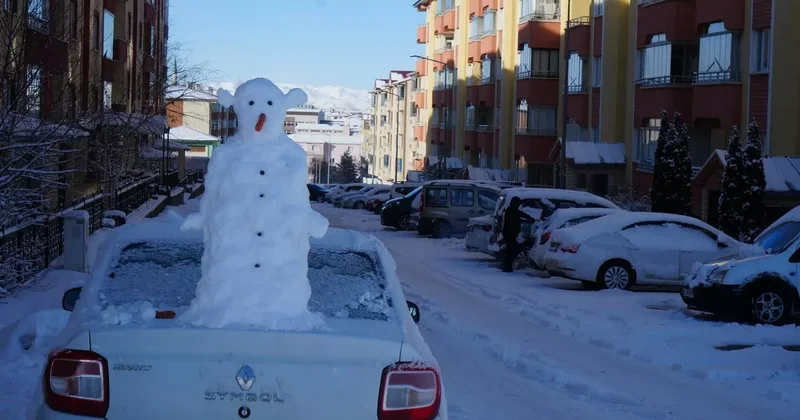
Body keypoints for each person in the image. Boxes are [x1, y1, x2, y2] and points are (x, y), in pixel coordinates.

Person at [501, 196, 523, 273]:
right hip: (510, 234)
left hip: (510, 233)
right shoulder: (511, 211)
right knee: (510, 251)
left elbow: (520, 214)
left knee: (510, 251)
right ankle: (507, 268)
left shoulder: (511, 210)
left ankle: (507, 267)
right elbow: (518, 216)